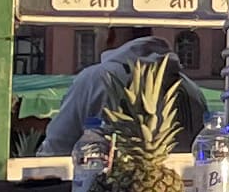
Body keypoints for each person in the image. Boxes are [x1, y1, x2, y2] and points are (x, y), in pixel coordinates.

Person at [37, 33, 215, 156]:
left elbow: (56, 148)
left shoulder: (95, 77)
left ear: (110, 35)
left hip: (104, 191)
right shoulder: (191, 87)